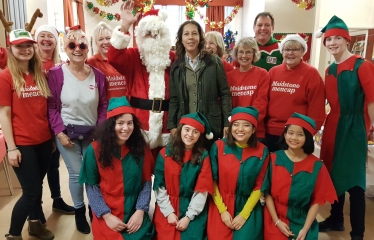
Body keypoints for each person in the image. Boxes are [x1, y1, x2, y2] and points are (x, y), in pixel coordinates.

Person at [317, 16, 374, 240]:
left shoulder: (363, 65)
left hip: (355, 127)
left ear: (347, 40)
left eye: (337, 38)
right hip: (334, 126)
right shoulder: (329, 70)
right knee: (333, 176)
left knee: (356, 181)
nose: (332, 43)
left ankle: (358, 233)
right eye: (328, 39)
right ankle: (336, 218)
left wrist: (370, 128)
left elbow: (371, 100)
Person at [47, 25, 108, 234]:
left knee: (92, 172)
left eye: (82, 45)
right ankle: (79, 210)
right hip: (67, 134)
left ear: (87, 48)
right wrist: (59, 133)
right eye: (72, 45)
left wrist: (99, 132)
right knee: (75, 173)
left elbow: (103, 106)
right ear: (65, 48)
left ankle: (94, 208)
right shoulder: (56, 74)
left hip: (92, 133)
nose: (77, 49)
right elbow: (52, 107)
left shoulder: (98, 76)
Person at [0, 29, 54, 240]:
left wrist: (51, 138)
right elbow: (4, 114)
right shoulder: (5, 76)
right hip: (22, 144)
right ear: (10, 49)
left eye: (28, 45)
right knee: (30, 192)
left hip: (44, 141)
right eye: (19, 46)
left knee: (37, 187)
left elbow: (44, 109)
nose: (25, 50)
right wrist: (11, 148)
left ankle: (34, 225)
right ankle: (13, 234)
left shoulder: (39, 74)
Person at [79, 96, 155, 240]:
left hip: (134, 208)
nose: (126, 128)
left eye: (129, 123)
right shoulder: (94, 149)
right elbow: (91, 186)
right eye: (120, 123)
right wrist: (106, 215)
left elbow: (146, 183)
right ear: (111, 125)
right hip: (107, 210)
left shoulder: (142, 149)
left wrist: (140, 211)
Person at [108, 0, 175, 151]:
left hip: (166, 126)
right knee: (140, 170)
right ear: (141, 35)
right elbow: (114, 57)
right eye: (148, 33)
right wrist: (124, 26)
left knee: (163, 171)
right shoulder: (133, 56)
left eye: (156, 33)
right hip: (139, 125)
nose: (152, 37)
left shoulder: (173, 58)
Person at [262, 112, 337, 240]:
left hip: (303, 220)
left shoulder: (317, 166)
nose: (294, 138)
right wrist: (277, 222)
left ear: (308, 137)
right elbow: (267, 193)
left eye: (300, 134)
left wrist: (305, 229)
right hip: (274, 217)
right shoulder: (273, 158)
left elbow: (316, 201)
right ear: (284, 134)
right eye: (290, 133)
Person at [207, 106, 269, 240]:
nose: (240, 129)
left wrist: (244, 215)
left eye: (246, 125)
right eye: (236, 124)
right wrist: (223, 211)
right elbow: (211, 180)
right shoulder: (218, 147)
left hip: (248, 204)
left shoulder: (262, 151)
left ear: (253, 129)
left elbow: (260, 185)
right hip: (220, 203)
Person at [167, 20, 232, 148]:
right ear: (181, 39)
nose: (190, 37)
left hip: (211, 125)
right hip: (186, 127)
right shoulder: (176, 67)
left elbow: (225, 94)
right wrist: (172, 125)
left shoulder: (214, 62)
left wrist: (227, 122)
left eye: (194, 33)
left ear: (200, 37)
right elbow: (174, 99)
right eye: (186, 34)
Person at [34, 25, 75, 219]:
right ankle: (36, 208)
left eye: (50, 36)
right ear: (36, 40)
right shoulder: (30, 64)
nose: (46, 39)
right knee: (38, 170)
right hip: (36, 123)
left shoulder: (59, 65)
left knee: (53, 165)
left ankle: (57, 199)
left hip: (56, 122)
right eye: (42, 36)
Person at [153, 112, 214, 240]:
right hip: (167, 208)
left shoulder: (203, 156)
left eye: (195, 132)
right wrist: (169, 212)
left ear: (200, 135)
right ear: (180, 130)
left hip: (193, 210)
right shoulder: (164, 153)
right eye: (187, 129)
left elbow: (202, 190)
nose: (190, 135)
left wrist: (188, 216)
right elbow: (159, 186)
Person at [266, 34, 325, 152]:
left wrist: (309, 132)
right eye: (287, 49)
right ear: (282, 52)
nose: (290, 53)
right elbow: (265, 101)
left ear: (303, 52)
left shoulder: (311, 74)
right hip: (272, 132)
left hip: (298, 134)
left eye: (296, 49)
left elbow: (317, 108)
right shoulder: (273, 72)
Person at [227, 37, 270, 143]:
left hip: (255, 131)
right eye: (241, 52)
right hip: (234, 130)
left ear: (254, 54)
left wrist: (246, 125)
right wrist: (236, 125)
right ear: (236, 54)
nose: (244, 56)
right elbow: (226, 102)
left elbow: (261, 102)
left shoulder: (262, 74)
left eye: (248, 52)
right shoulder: (228, 76)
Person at [87, 21, 127, 101]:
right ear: (95, 42)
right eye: (101, 39)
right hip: (106, 110)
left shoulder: (123, 59)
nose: (105, 42)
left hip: (127, 109)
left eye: (108, 38)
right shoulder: (91, 63)